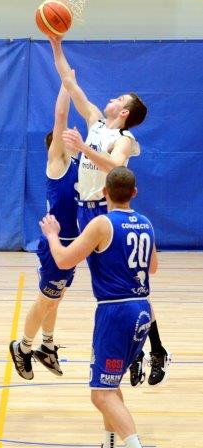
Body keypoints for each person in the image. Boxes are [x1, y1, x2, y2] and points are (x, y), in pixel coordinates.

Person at [47, 35, 170, 386]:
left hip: (108, 211)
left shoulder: (125, 139)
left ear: (125, 112)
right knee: (110, 285)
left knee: (128, 285)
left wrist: (83, 147)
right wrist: (55, 43)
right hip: (85, 209)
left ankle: (155, 349)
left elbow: (114, 166)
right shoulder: (96, 121)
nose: (112, 99)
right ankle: (140, 351)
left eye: (119, 99)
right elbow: (69, 82)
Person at [40, 166, 157, 448]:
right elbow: (152, 267)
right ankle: (110, 442)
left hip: (116, 312)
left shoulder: (102, 224)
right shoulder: (146, 223)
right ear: (134, 193)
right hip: (142, 309)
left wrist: (53, 235)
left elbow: (64, 260)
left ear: (104, 192)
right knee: (110, 385)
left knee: (100, 394)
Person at [9, 83, 78, 380]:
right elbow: (60, 116)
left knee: (56, 298)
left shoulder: (82, 165)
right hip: (55, 244)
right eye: (66, 135)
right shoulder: (58, 164)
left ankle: (47, 346)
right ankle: (23, 347)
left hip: (75, 245)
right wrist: (66, 83)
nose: (72, 134)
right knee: (46, 299)